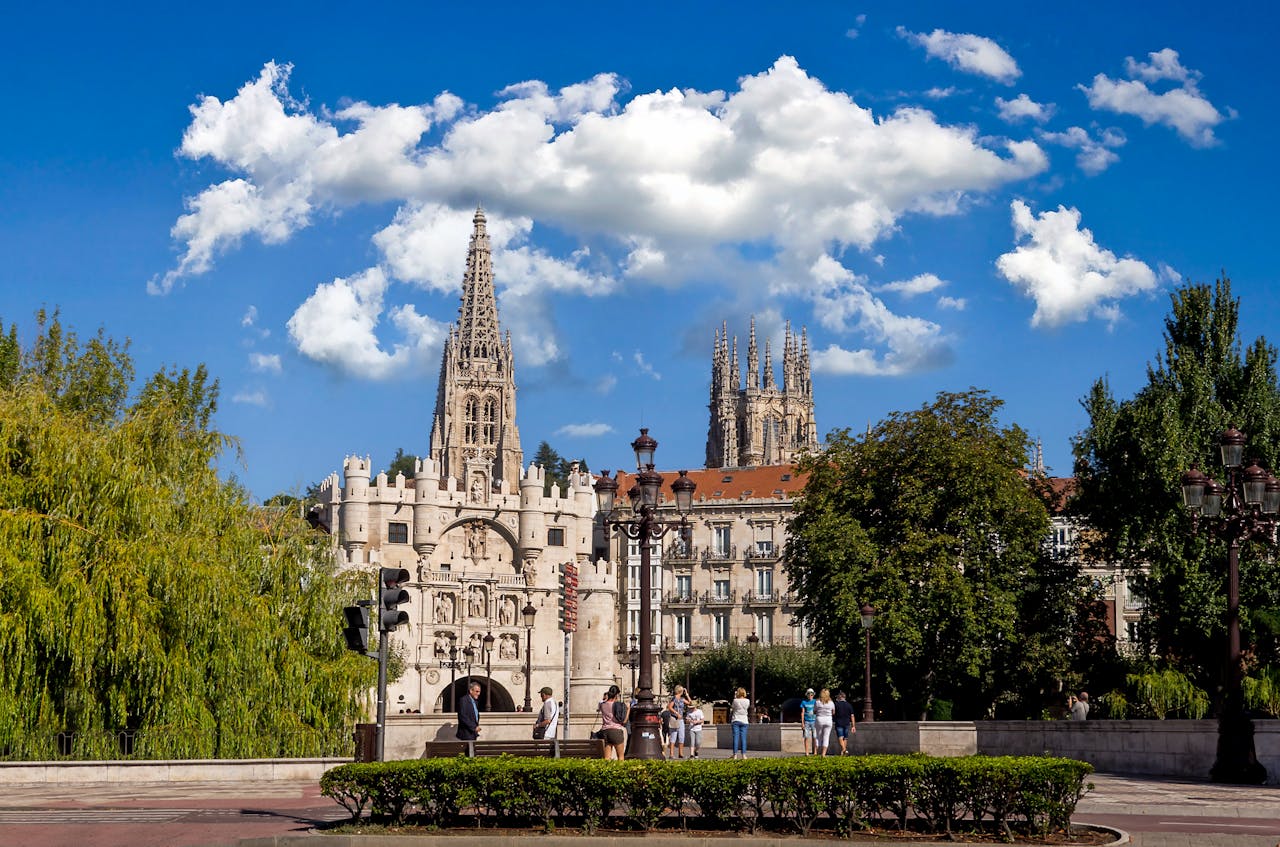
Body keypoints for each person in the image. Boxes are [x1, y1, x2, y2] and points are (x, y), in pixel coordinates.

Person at [600, 684, 629, 760]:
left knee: (607, 758)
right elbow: (624, 721)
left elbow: (602, 702)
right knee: (620, 757)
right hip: (616, 731)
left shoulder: (602, 705)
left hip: (605, 731)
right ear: (617, 694)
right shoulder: (618, 705)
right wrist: (628, 709)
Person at [667, 685, 691, 758]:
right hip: (675, 719)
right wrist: (676, 713)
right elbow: (669, 707)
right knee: (673, 736)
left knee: (681, 736)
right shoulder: (674, 698)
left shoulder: (682, 699)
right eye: (683, 691)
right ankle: (671, 754)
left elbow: (690, 703)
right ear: (680, 691)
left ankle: (681, 753)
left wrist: (687, 694)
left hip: (681, 720)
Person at [832, 690, 855, 755]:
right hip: (847, 723)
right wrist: (853, 726)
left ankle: (844, 750)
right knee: (845, 737)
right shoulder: (849, 705)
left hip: (838, 723)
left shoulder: (836, 704)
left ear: (840, 697)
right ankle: (843, 752)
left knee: (840, 737)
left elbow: (833, 713)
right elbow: (852, 716)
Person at [731, 686, 750, 759]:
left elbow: (733, 708)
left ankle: (735, 754)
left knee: (735, 738)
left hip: (736, 719)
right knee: (743, 738)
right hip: (744, 720)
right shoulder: (747, 701)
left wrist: (735, 697)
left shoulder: (735, 700)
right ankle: (744, 755)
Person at [814, 688, 835, 756]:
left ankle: (816, 752)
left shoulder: (817, 702)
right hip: (828, 720)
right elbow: (833, 712)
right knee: (826, 737)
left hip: (819, 719)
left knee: (818, 736)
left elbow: (814, 711)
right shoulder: (831, 702)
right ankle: (823, 754)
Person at [800, 688, 818, 755]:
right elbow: (802, 712)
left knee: (815, 737)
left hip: (814, 721)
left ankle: (815, 752)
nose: (810, 695)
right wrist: (802, 723)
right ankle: (807, 752)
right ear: (807, 695)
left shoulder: (816, 702)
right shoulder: (804, 702)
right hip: (807, 721)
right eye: (809, 694)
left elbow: (818, 711)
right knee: (806, 737)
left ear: (813, 695)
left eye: (811, 694)